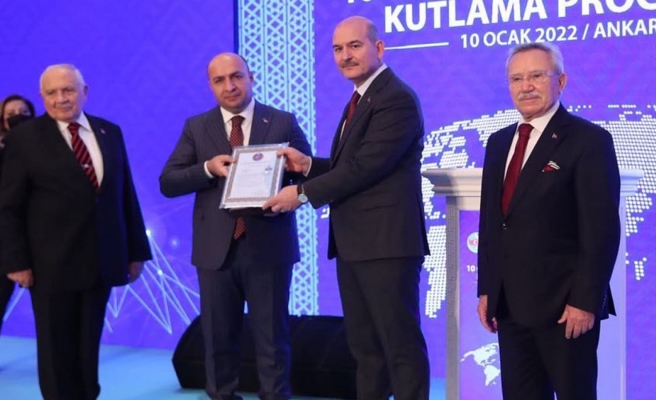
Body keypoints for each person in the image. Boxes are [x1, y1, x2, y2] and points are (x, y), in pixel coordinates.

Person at [263, 16, 430, 400]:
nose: (345, 56)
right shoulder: (361, 98)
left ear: (379, 48)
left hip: (386, 245)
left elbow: (366, 167)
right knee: (366, 349)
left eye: (354, 46)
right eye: (338, 49)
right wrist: (308, 165)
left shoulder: (396, 99)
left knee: (399, 347)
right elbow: (351, 166)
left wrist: (300, 193)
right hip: (356, 245)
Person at [159, 52, 311, 400]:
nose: (230, 86)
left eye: (236, 76)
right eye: (220, 80)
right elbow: (168, 182)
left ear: (251, 77)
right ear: (211, 86)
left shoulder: (282, 122)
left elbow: (309, 176)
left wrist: (293, 194)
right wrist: (207, 168)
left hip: (269, 247)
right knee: (218, 340)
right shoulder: (197, 127)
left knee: (272, 339)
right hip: (216, 251)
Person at [476, 42, 620, 400]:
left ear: (561, 81)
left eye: (537, 76)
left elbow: (601, 231)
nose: (526, 86)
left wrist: (585, 301)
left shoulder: (589, 141)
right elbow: (491, 224)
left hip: (565, 309)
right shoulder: (498, 143)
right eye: (516, 79)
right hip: (510, 307)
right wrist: (487, 289)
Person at [0, 64, 152, 400]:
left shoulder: (109, 132)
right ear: (42, 97)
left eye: (68, 90)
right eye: (51, 92)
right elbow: (8, 206)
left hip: (102, 260)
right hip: (49, 266)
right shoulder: (23, 139)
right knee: (57, 352)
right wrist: (15, 261)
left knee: (88, 347)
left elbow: (125, 194)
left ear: (85, 92)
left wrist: (136, 251)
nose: (61, 98)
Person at [0, 94, 36, 338]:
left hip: (37, 239)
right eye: (11, 114)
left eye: (23, 113)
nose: (17, 118)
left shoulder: (43, 148)